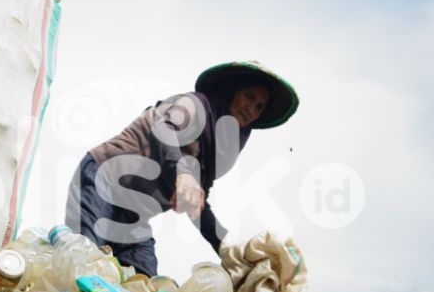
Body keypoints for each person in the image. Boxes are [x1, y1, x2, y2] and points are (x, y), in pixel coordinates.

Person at [65, 61, 299, 276]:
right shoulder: (193, 105)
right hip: (102, 181)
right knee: (85, 265)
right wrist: (184, 174)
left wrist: (228, 250)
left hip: (134, 215)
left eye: (259, 106)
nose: (252, 109)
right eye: (249, 97)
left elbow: (198, 206)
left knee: (145, 288)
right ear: (231, 92)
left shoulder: (217, 149)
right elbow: (164, 129)